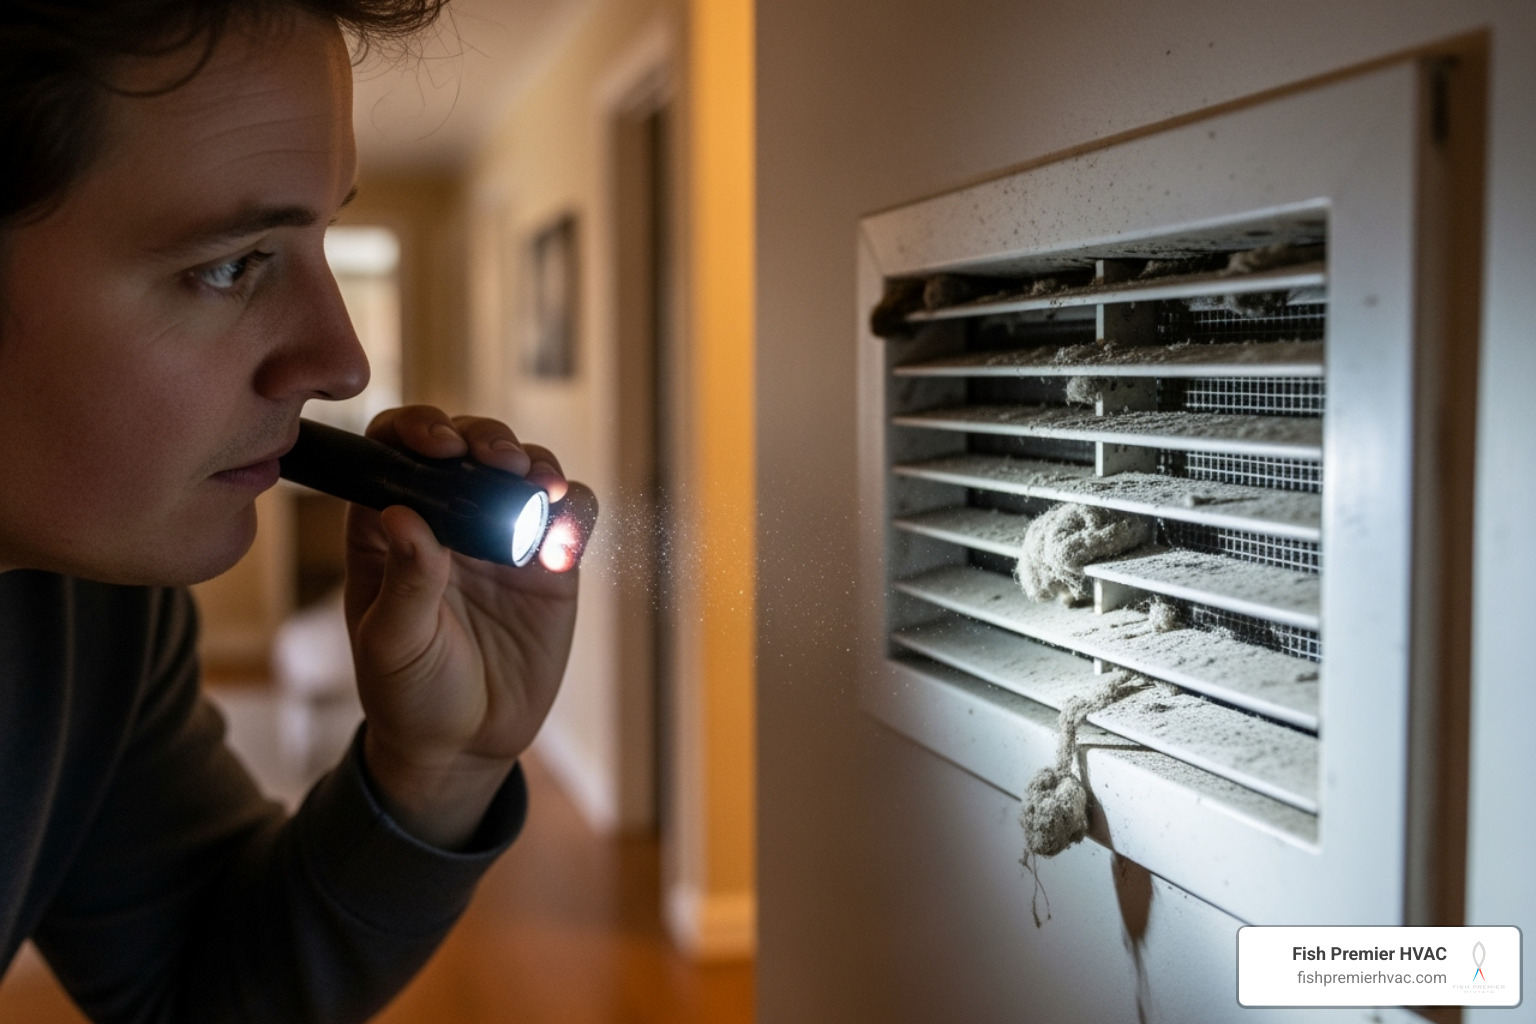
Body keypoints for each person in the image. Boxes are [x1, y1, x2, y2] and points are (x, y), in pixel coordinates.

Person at [0, 1, 597, 1020]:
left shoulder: (92, 605)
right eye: (229, 265)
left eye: (324, 237)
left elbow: (195, 984)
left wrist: (437, 768)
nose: (343, 361)